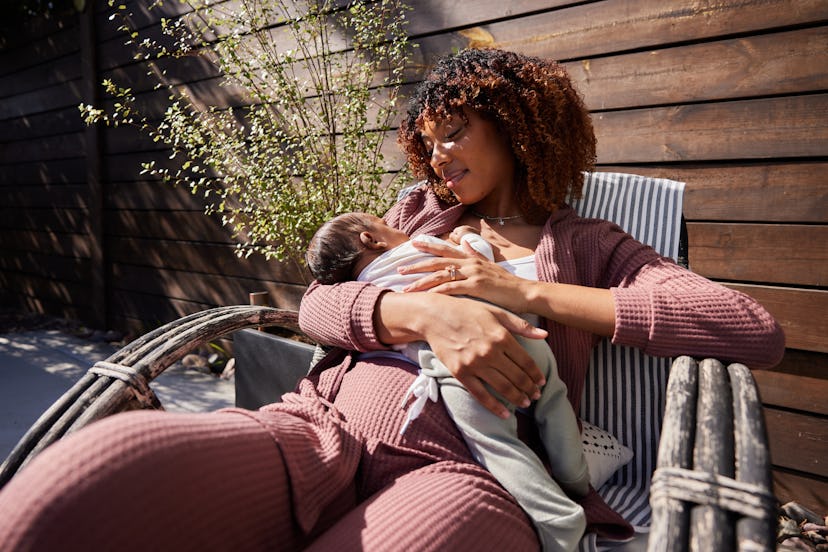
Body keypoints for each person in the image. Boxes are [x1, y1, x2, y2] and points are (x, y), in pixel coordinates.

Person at [0, 48, 784, 552]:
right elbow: (314, 308)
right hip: (319, 428)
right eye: (427, 142)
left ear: (515, 126)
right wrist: (422, 314)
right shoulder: (416, 215)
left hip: (470, 472)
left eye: (454, 134)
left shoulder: (592, 245)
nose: (435, 160)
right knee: (71, 495)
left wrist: (516, 290)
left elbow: (750, 327)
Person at [305, 212, 592, 549]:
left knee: (495, 444)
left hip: (473, 369)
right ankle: (575, 474)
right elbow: (478, 258)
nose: (400, 227)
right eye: (387, 225)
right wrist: (469, 236)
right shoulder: (422, 241)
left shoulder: (364, 287)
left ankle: (558, 519)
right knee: (555, 398)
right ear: (371, 239)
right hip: (521, 336)